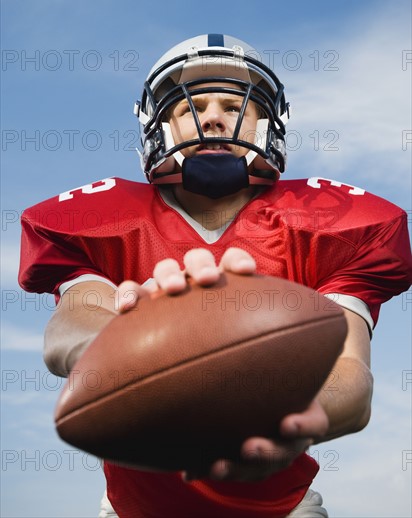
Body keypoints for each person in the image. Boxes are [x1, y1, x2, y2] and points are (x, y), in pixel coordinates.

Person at [18, 34, 412, 518]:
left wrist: (285, 417)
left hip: (281, 509)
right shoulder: (105, 220)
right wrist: (148, 349)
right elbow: (69, 329)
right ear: (159, 125)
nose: (212, 116)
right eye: (192, 106)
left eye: (233, 104)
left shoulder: (331, 225)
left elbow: (350, 378)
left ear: (269, 124)